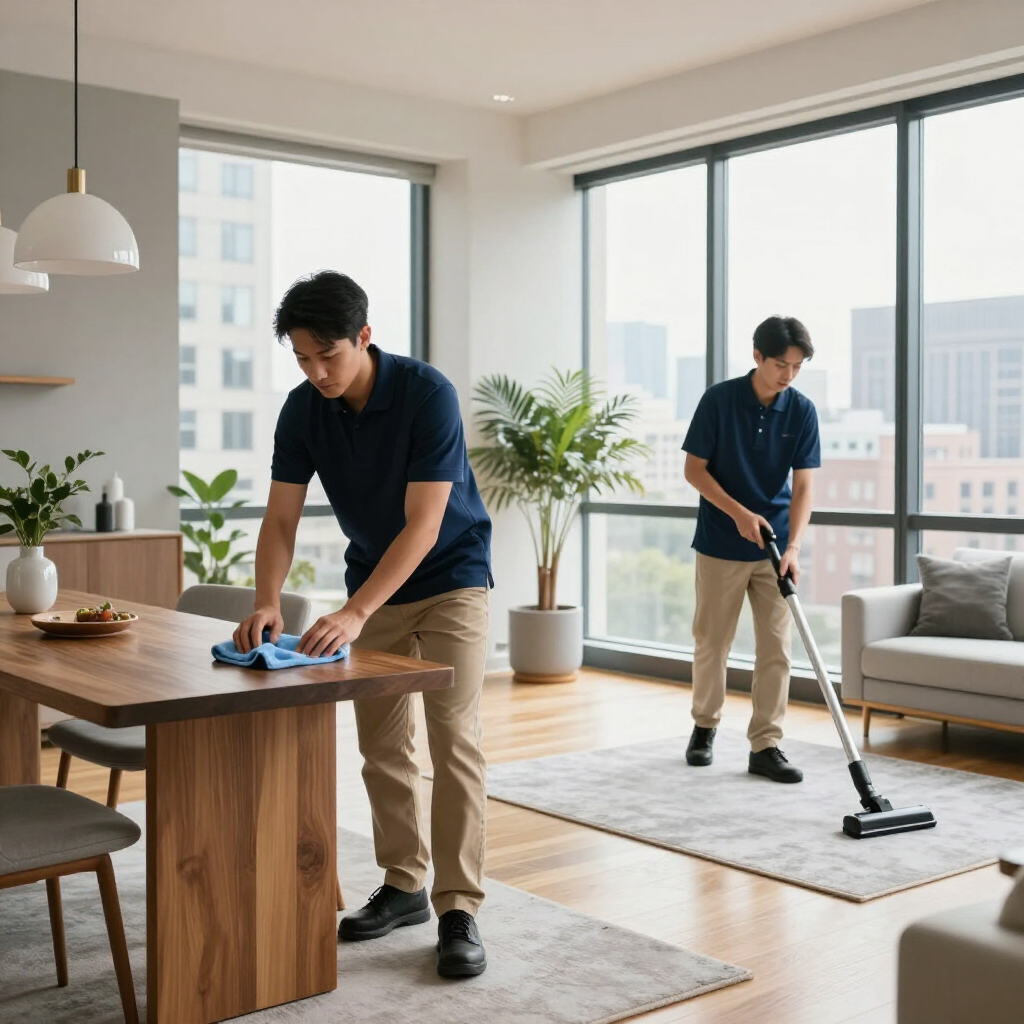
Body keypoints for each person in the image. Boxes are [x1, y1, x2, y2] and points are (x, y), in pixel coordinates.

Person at [234, 271, 493, 978]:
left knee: (453, 740)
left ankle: (459, 905)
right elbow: (281, 516)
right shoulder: (302, 411)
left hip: (452, 581)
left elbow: (426, 523)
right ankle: (405, 884)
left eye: (329, 356)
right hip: (373, 584)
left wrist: (354, 612)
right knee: (382, 745)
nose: (317, 372)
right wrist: (267, 599)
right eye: (302, 359)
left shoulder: (426, 394)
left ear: (364, 337)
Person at [680, 315, 820, 783]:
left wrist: (794, 546)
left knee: (776, 648)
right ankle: (704, 727)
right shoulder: (718, 401)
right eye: (781, 364)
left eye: (797, 367)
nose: (788, 375)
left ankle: (766, 744)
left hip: (775, 548)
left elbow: (803, 487)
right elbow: (695, 471)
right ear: (758, 356)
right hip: (721, 541)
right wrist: (738, 513)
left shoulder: (801, 411)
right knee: (713, 641)